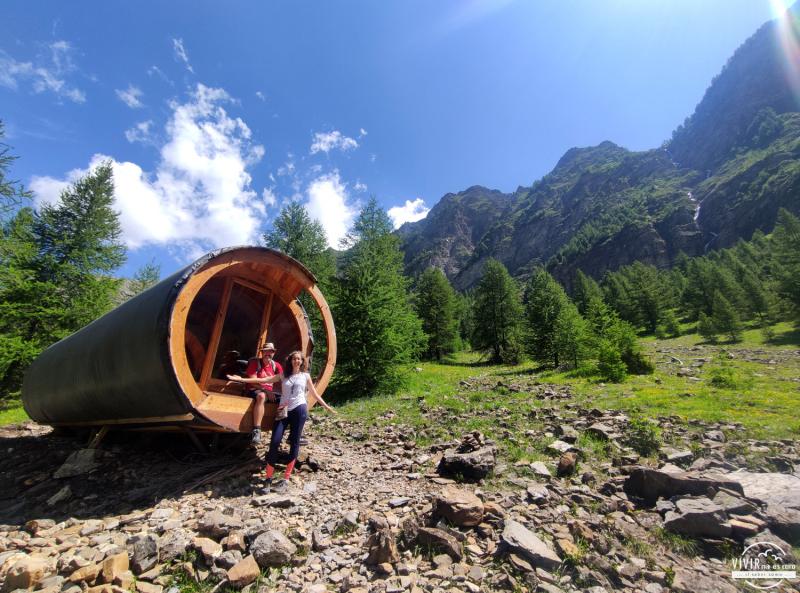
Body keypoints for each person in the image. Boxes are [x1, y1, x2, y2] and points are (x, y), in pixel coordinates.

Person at [228, 350, 335, 494]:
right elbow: (263, 381)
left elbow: (314, 394)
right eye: (294, 359)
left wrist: (327, 406)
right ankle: (268, 479)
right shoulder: (283, 375)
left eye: (299, 359)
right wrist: (241, 380)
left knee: (295, 443)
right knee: (274, 441)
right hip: (283, 410)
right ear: (290, 361)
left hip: (299, 410)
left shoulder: (305, 376)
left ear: (302, 362)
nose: (297, 361)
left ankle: (285, 479)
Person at [243, 343, 283, 444]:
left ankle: (285, 429)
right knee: (261, 396)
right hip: (254, 389)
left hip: (269, 392)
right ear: (262, 352)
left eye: (271, 351)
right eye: (266, 351)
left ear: (274, 353)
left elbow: (285, 380)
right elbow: (252, 381)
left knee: (286, 400)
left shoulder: (276, 365)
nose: (268, 353)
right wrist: (266, 391)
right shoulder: (255, 363)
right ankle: (256, 430)